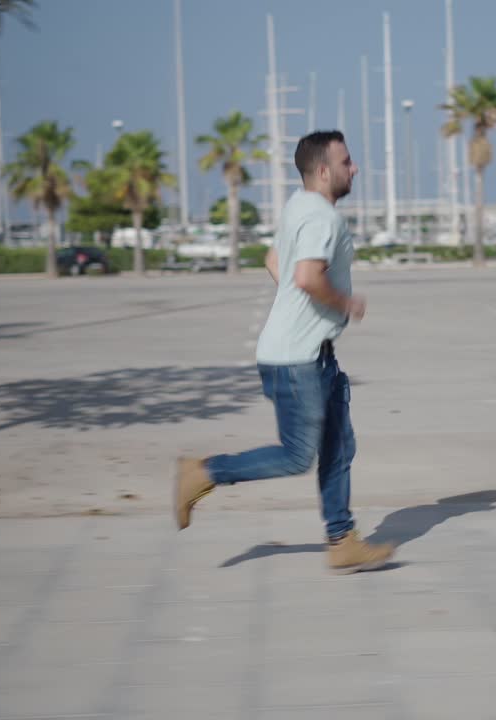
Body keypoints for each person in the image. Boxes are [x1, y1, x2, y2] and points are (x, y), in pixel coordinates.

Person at [173, 130, 395, 575]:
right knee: (297, 455)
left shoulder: (300, 206)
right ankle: (203, 472)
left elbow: (273, 261)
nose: (355, 169)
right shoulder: (321, 218)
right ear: (323, 170)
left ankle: (342, 540)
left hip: (311, 352)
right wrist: (346, 303)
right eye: (347, 162)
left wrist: (299, 311)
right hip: (297, 360)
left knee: (338, 446)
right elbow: (307, 277)